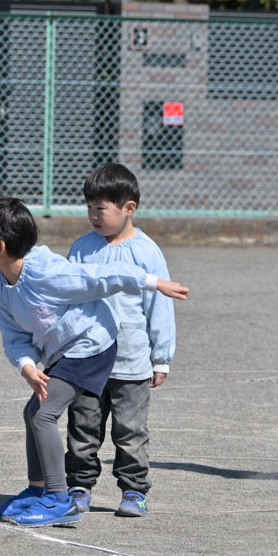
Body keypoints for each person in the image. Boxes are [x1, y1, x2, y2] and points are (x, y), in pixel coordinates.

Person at [0, 196, 188, 527]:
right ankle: (36, 491)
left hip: (92, 346)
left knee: (43, 414)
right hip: (63, 353)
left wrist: (154, 283)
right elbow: (14, 336)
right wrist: (26, 365)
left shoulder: (47, 272)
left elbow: (101, 276)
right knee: (33, 412)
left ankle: (59, 500)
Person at [64, 164, 175, 518]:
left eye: (101, 208)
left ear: (129, 208)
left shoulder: (147, 252)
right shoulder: (82, 248)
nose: (94, 216)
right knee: (83, 427)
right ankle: (79, 486)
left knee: (130, 431)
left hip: (132, 361)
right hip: (86, 360)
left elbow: (159, 307)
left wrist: (161, 357)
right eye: (89, 208)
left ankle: (134, 490)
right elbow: (67, 297)